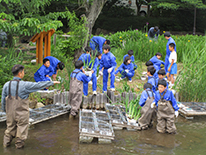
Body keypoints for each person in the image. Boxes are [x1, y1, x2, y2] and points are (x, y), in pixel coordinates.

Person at [1, 64, 60, 149]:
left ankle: (5, 146)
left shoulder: (6, 85)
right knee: (21, 130)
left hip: (10, 113)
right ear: (20, 73)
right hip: (21, 114)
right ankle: (19, 148)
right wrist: (51, 82)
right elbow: (38, 85)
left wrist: (5, 111)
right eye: (23, 72)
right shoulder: (25, 85)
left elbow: (3, 100)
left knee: (9, 129)